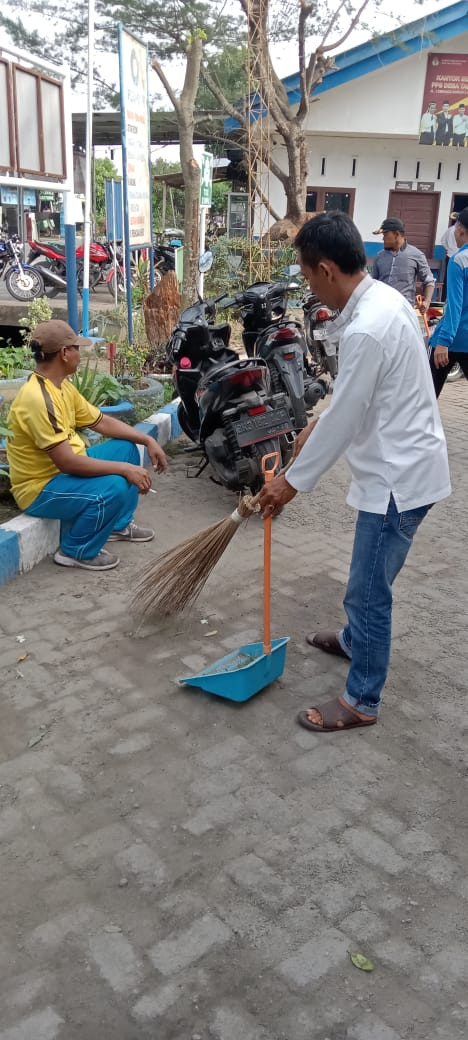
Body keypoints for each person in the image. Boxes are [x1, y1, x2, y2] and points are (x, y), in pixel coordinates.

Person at [258, 212, 451, 734]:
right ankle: (354, 640)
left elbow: (348, 415)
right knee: (369, 580)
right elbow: (354, 396)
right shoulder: (385, 300)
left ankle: (363, 698)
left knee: (368, 590)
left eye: (306, 275)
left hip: (399, 479)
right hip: (402, 463)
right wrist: (313, 426)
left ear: (325, 269)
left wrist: (290, 483)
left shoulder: (368, 324)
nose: (308, 285)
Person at [7, 320, 168, 572]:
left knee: (127, 447)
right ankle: (75, 551)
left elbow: (101, 422)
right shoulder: (38, 399)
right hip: (39, 489)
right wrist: (125, 470)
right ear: (64, 353)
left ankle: (117, 526)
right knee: (114, 484)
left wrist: (147, 439)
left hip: (63, 474)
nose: (80, 355)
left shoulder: (61, 387)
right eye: (76, 348)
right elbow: (67, 462)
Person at [429, 207, 468, 396]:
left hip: (452, 339)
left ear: (460, 230)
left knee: (425, 397)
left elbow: (455, 304)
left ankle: (420, 425)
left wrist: (444, 341)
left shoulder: (459, 259)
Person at [372, 217, 434, 311]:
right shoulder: (379, 257)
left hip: (404, 310)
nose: (383, 238)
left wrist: (427, 301)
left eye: (385, 235)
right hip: (381, 309)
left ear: (396, 234)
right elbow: (373, 283)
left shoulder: (416, 255)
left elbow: (429, 281)